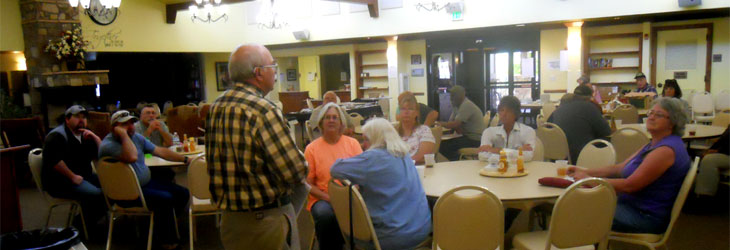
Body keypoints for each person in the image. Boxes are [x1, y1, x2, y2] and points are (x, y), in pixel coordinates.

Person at [205, 44, 308, 250]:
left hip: (230, 221)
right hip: (265, 222)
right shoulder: (263, 110)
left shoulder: (216, 106)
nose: (275, 72)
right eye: (273, 66)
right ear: (258, 73)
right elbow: (296, 171)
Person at [568, 97, 691, 234]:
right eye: (651, 113)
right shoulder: (654, 144)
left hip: (644, 217)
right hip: (631, 207)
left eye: (659, 115)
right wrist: (587, 172)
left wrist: (589, 180)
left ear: (672, 122)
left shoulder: (665, 151)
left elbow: (629, 185)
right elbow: (619, 168)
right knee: (579, 205)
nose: (651, 117)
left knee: (576, 209)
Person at [331, 118, 432, 250]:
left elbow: (335, 169)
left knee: (342, 226)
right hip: (422, 230)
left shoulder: (372, 158)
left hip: (393, 238)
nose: (363, 145)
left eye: (366, 139)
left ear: (375, 139)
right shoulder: (404, 153)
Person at [99, 110, 190, 249]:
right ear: (114, 127)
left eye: (131, 123)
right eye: (124, 124)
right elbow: (132, 157)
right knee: (164, 199)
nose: (130, 127)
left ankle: (160, 226)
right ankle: (168, 242)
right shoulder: (108, 145)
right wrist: (123, 135)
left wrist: (185, 159)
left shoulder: (135, 137)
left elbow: (160, 151)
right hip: (126, 192)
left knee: (182, 193)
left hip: (145, 185)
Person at [304, 102, 362, 250]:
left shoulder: (353, 144)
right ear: (321, 123)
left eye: (335, 117)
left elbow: (361, 174)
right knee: (326, 216)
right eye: (327, 117)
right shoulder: (311, 149)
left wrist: (351, 193)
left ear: (341, 123)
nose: (331, 120)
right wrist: (330, 198)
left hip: (350, 196)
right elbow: (307, 184)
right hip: (323, 198)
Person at [41, 105, 105, 224]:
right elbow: (54, 161)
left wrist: (95, 137)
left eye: (84, 117)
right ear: (67, 119)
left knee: (110, 187)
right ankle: (81, 225)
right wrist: (72, 177)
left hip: (83, 176)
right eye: (77, 117)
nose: (81, 120)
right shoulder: (57, 136)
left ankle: (87, 221)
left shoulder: (85, 135)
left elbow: (102, 154)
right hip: (61, 181)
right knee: (97, 194)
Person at [548, 85, 611, 164]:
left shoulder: (560, 108)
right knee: (607, 140)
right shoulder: (589, 107)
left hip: (556, 155)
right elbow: (607, 132)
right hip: (580, 155)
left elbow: (548, 125)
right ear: (590, 97)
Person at [479, 95, 536, 161]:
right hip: (494, 170)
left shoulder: (528, 131)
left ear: (516, 114)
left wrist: (495, 150)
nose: (504, 114)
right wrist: (517, 151)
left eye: (509, 111)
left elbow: (528, 156)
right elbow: (482, 156)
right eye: (502, 110)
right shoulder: (489, 131)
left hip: (519, 169)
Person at [439, 85, 485, 161]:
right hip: (468, 137)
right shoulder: (457, 106)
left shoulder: (466, 105)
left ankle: (455, 162)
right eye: (451, 95)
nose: (451, 98)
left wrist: (439, 124)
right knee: (444, 144)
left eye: (453, 95)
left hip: (475, 139)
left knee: (443, 146)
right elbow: (452, 123)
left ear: (462, 95)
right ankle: (455, 161)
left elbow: (454, 124)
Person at [397, 92, 435, 164]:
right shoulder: (392, 132)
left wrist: (398, 163)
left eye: (410, 109)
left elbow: (421, 157)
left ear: (417, 112)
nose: (406, 112)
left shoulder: (424, 130)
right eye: (403, 109)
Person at [695, 125, 730, 197]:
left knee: (709, 160)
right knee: (699, 155)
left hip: (727, 153)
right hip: (725, 152)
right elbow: (723, 140)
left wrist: (718, 151)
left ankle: (705, 195)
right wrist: (710, 150)